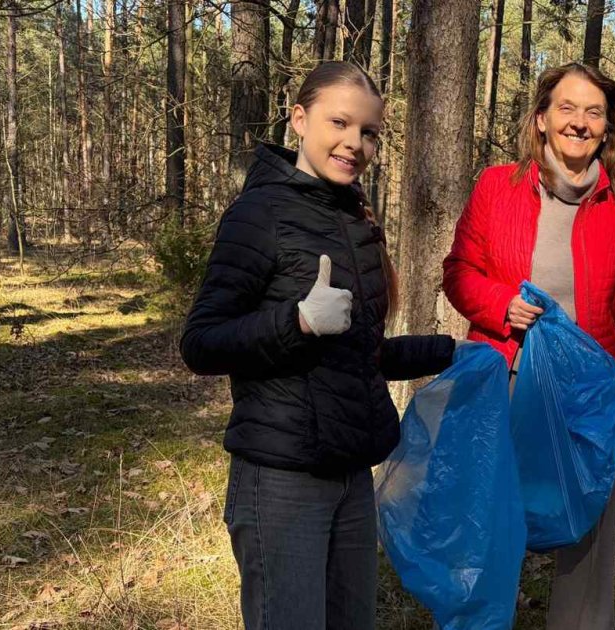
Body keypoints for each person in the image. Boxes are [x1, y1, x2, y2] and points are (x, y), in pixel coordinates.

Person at [180, 61, 459, 630]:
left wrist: (452, 353)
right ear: (300, 119)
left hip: (351, 472)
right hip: (282, 478)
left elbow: (362, 353)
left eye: (370, 132)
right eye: (340, 122)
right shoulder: (260, 215)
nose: (354, 143)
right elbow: (200, 344)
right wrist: (297, 322)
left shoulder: (353, 218)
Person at [442, 62, 615, 629]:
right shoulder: (499, 185)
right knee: (492, 512)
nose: (580, 123)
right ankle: (481, 618)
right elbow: (460, 271)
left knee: (589, 521)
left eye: (594, 113)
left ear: (608, 129)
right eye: (567, 108)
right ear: (541, 119)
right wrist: (499, 306)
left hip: (588, 387)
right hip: (507, 372)